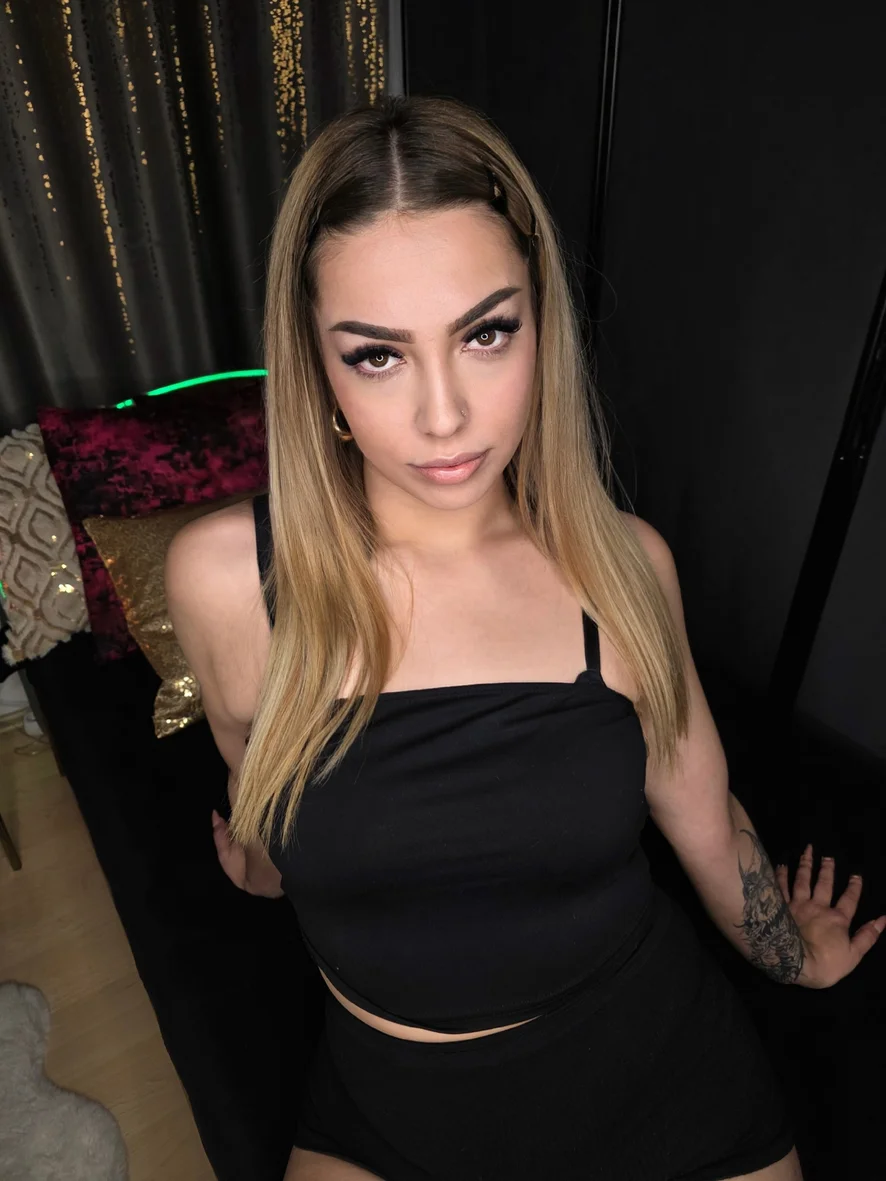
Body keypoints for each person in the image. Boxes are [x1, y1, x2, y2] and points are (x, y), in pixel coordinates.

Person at [166, 94, 807, 1181]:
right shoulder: (229, 580)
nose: (444, 416)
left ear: (541, 329)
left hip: (656, 1064)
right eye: (377, 356)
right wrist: (267, 865)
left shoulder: (624, 566)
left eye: (485, 333)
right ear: (317, 368)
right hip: (391, 1105)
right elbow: (259, 784)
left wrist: (790, 953)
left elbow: (707, 818)